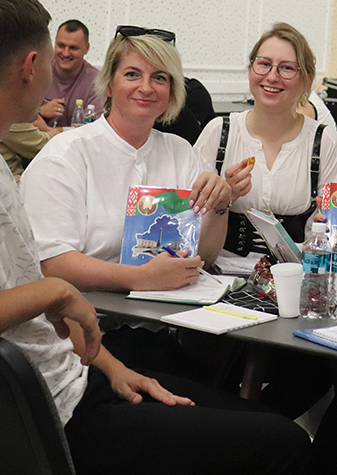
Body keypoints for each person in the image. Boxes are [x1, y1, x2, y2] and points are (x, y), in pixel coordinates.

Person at [0, 0, 310, 475]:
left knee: (258, 418)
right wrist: (53, 290)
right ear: (30, 66)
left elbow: (25, 317)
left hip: (72, 380)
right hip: (49, 419)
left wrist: (113, 367)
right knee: (285, 443)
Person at [21, 26, 232, 292]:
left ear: (171, 91)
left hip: (170, 310)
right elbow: (50, 262)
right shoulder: (65, 156)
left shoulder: (180, 152)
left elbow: (204, 257)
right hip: (89, 310)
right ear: (109, 84)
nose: (146, 87)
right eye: (132, 74)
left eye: (159, 78)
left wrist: (220, 206)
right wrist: (140, 278)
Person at [194, 22, 337, 255]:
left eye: (286, 68)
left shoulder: (325, 141)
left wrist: (329, 227)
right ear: (250, 69)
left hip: (299, 272)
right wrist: (224, 199)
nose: (272, 77)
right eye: (264, 64)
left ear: (307, 79)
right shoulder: (219, 132)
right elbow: (188, 228)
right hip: (218, 269)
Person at [41, 19, 102, 127]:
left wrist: (53, 132)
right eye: (61, 45)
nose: (65, 53)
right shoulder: (38, 71)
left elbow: (94, 128)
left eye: (73, 48)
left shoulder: (97, 81)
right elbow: (18, 115)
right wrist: (40, 111)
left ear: (86, 48)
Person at [0, 114, 62, 183]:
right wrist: (49, 129)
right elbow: (42, 145)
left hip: (8, 177)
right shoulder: (7, 114)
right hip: (12, 181)